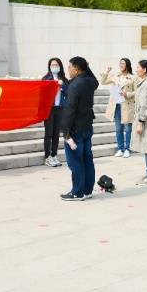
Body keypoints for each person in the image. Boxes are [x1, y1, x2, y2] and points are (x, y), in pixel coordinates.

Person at [60, 57, 99, 201]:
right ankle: (87, 190)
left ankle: (77, 192)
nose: (68, 69)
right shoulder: (90, 82)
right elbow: (95, 80)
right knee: (87, 159)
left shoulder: (75, 85)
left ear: (76, 69)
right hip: (87, 126)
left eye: (70, 67)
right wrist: (86, 66)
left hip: (75, 129)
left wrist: (66, 132)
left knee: (75, 161)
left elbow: (70, 109)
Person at [101, 58, 135, 158]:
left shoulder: (132, 77)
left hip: (127, 105)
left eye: (123, 63)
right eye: (120, 63)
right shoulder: (115, 76)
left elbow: (136, 92)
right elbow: (103, 82)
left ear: (127, 65)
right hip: (116, 105)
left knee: (128, 129)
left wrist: (127, 94)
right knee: (118, 128)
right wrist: (107, 72)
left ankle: (127, 149)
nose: (121, 65)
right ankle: (120, 149)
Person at [41, 58, 69, 167]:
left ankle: (54, 155)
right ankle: (47, 156)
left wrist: (62, 86)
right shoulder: (46, 79)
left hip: (60, 108)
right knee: (48, 133)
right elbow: (42, 93)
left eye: (56, 65)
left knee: (56, 133)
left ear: (60, 66)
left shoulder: (64, 79)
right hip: (49, 109)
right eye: (52, 65)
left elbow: (68, 92)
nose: (54, 67)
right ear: (49, 66)